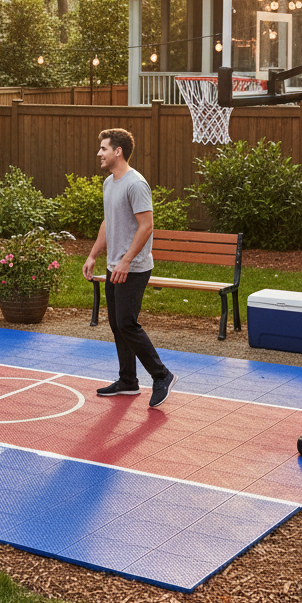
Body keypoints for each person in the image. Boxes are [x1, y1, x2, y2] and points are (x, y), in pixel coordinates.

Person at [82, 128, 177, 408]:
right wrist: (93, 255)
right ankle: (128, 381)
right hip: (116, 265)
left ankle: (162, 375)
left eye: (103, 148)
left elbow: (147, 226)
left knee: (126, 322)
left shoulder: (136, 184)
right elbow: (108, 223)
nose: (99, 153)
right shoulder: (110, 183)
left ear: (118, 151)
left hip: (133, 267)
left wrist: (125, 260)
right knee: (116, 324)